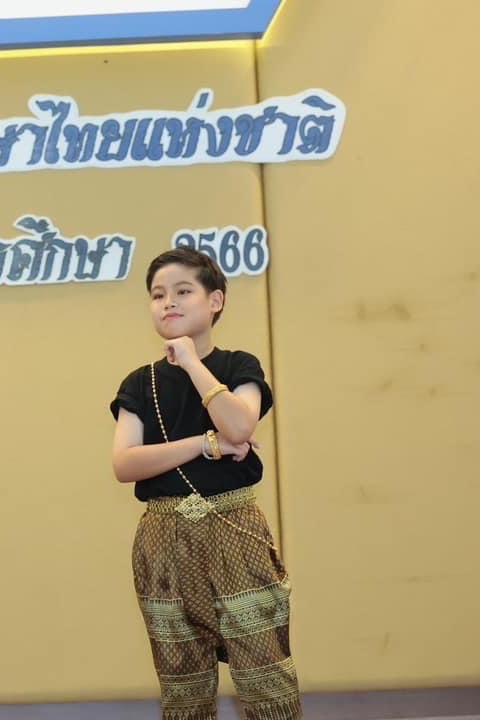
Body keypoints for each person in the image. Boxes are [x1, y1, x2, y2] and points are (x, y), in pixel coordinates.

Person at [109, 247, 300, 719]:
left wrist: (192, 362)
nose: (168, 303)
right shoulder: (140, 383)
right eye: (158, 295)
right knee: (182, 682)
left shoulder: (238, 365)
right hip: (163, 537)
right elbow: (125, 463)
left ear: (215, 301)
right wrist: (204, 444)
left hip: (234, 529)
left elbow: (239, 426)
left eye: (182, 291)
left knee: (264, 670)